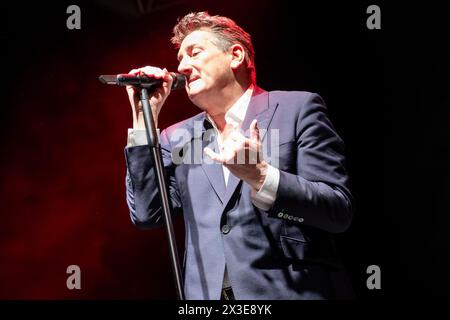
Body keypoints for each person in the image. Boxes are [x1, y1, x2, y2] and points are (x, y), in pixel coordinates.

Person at [124, 11, 354, 300]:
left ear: (235, 55)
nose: (182, 66)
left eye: (194, 53)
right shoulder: (177, 137)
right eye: (180, 58)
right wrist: (143, 121)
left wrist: (261, 177)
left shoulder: (296, 110)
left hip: (289, 292)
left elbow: (337, 211)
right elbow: (148, 214)